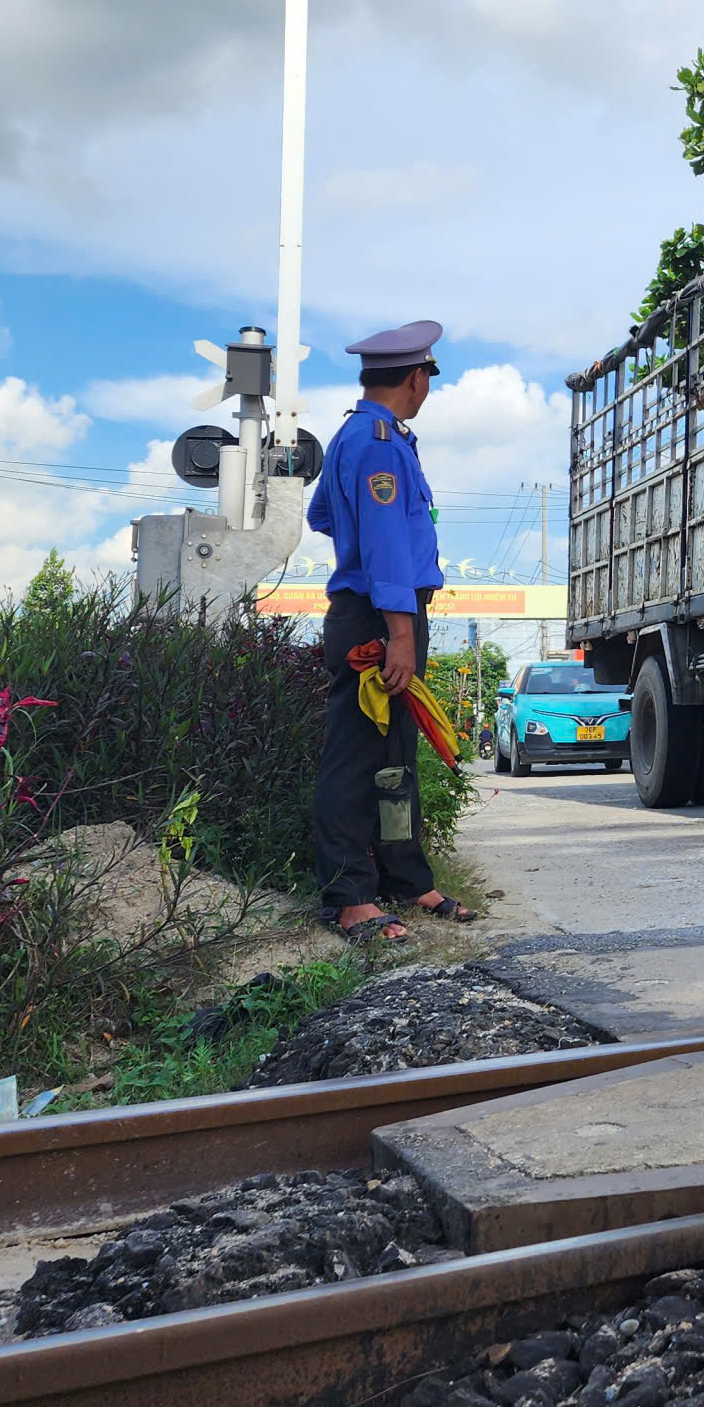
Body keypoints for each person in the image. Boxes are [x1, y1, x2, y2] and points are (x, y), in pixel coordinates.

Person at [306, 319, 477, 944]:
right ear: (416, 378)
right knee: (357, 756)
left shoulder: (362, 437)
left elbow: (322, 515)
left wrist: (360, 545)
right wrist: (399, 631)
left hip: (382, 610)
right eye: (428, 375)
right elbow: (382, 541)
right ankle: (350, 897)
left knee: (395, 755)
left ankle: (406, 879)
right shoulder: (378, 444)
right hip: (377, 620)